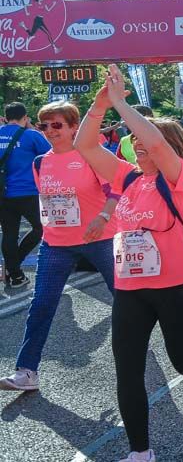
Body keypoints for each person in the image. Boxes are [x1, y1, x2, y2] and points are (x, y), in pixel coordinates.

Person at [77, 65, 183, 462]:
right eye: (135, 139)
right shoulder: (129, 178)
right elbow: (86, 146)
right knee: (127, 369)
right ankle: (140, 452)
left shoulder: (180, 178)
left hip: (178, 286)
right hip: (131, 288)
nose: (138, 142)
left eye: (145, 138)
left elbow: (158, 145)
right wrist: (99, 106)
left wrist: (123, 104)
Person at [0, 102, 117, 391]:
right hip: (56, 244)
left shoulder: (90, 156)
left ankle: (142, 348)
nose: (50, 131)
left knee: (128, 301)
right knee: (41, 305)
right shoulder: (40, 162)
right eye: (43, 125)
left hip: (99, 240)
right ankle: (27, 371)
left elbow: (116, 189)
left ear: (74, 126)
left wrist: (103, 217)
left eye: (57, 125)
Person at [0, 102, 51, 288]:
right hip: (29, 192)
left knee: (9, 234)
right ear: (25, 117)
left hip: (3, 194)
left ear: (5, 117)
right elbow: (51, 155)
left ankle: (15, 274)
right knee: (42, 229)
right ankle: (14, 267)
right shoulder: (31, 135)